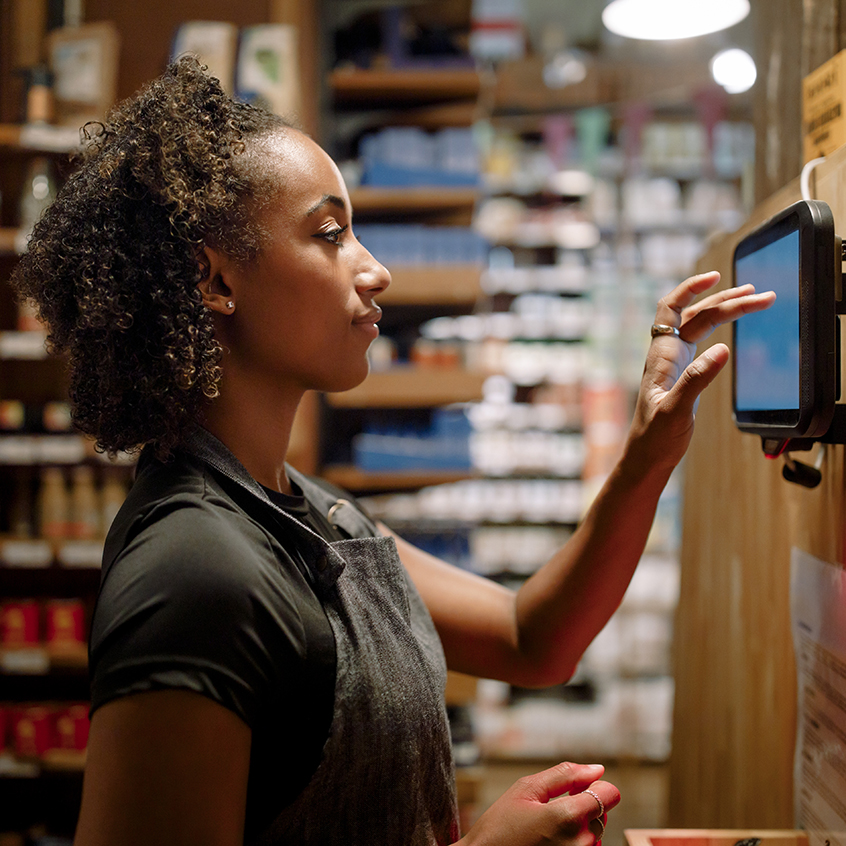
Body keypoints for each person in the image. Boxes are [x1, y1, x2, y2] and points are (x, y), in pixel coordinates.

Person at [11, 57, 774, 846]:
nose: (376, 270)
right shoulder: (192, 573)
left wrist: (645, 457)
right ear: (215, 279)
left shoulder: (311, 514)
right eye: (331, 234)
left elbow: (532, 637)